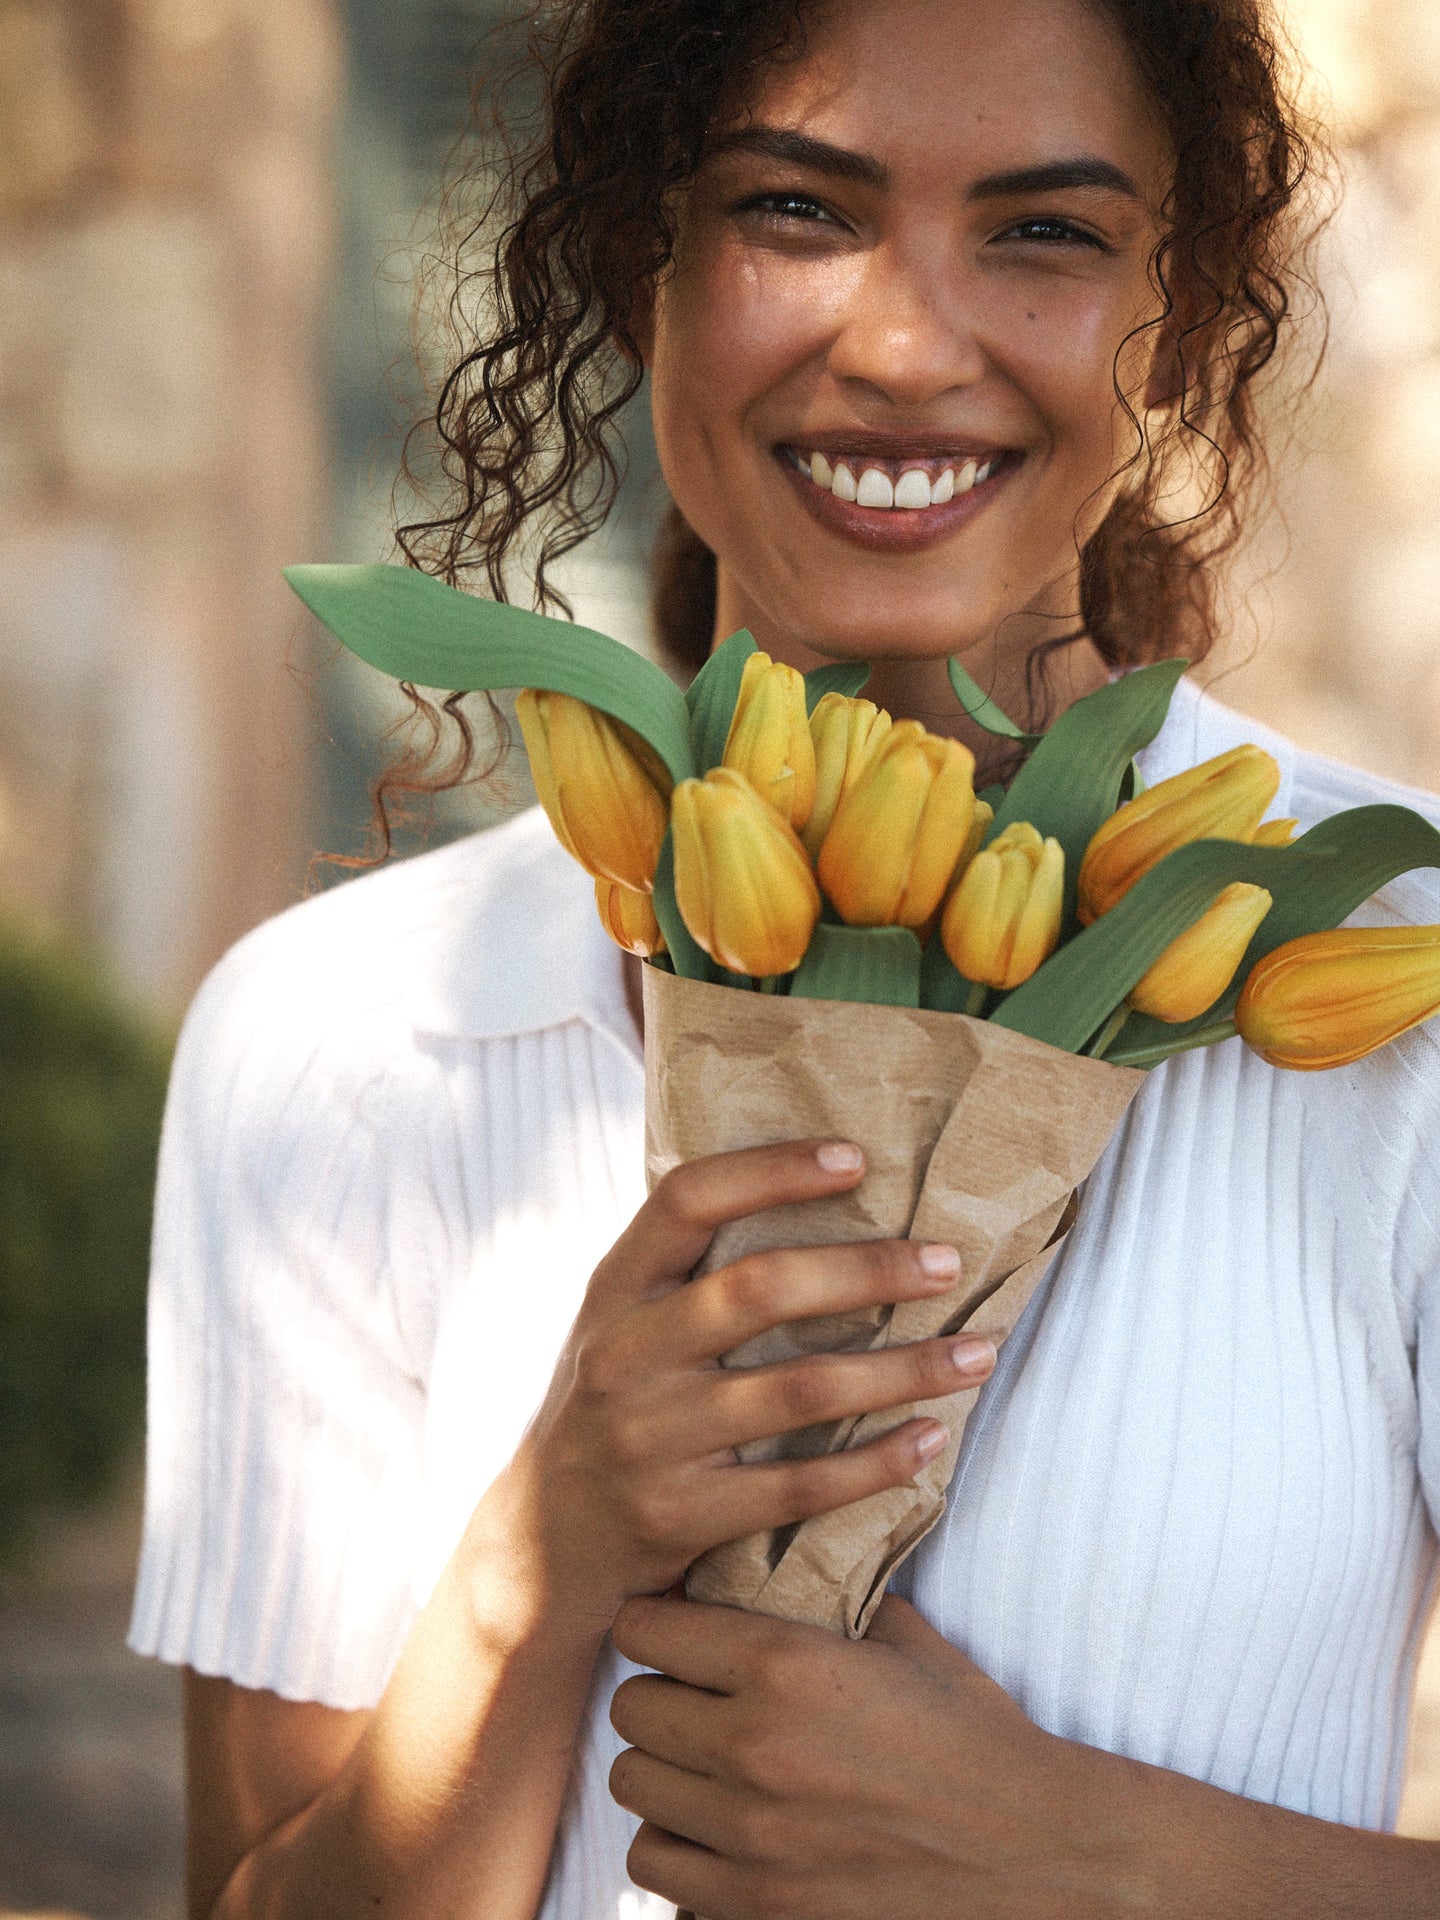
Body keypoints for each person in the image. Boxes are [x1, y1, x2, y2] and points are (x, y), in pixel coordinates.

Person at [129, 0, 1440, 1914]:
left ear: (1186, 305)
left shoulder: (1392, 988)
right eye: (794, 211)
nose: (904, 345)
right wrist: (531, 1571)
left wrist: (1086, 1857)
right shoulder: (336, 1045)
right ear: (637, 264)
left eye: (1047, 232)